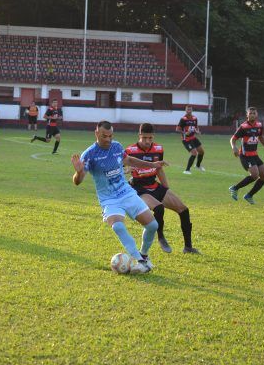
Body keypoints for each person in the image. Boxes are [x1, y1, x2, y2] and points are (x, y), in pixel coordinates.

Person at [71, 121, 167, 274]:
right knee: (118, 226)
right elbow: (78, 181)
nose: (108, 139)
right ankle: (140, 261)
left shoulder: (116, 146)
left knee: (153, 226)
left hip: (126, 193)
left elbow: (129, 160)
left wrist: (153, 165)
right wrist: (79, 172)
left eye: (110, 136)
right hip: (109, 199)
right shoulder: (89, 154)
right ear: (96, 133)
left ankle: (144, 255)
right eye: (104, 136)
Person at [125, 123, 200, 254]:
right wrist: (125, 170)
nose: (148, 141)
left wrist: (166, 189)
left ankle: (188, 247)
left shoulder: (158, 149)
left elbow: (159, 168)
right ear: (139, 136)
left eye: (150, 138)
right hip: (139, 188)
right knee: (159, 208)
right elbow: (117, 168)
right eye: (145, 138)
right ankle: (161, 237)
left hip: (154, 184)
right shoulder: (130, 151)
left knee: (183, 209)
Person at [229, 107, 264, 204]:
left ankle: (249, 195)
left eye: (254, 113)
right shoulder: (243, 127)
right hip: (245, 156)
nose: (252, 115)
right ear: (247, 115)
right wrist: (234, 147)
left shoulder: (259, 125)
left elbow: (261, 137)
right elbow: (233, 139)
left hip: (255, 155)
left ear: (256, 114)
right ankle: (235, 188)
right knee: (254, 175)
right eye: (250, 113)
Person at [176, 105, 205, 174]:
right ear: (185, 110)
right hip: (186, 139)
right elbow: (177, 129)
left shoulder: (195, 118)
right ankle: (187, 170)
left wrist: (197, 131)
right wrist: (185, 133)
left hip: (193, 138)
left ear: (192, 110)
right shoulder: (183, 119)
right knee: (194, 153)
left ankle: (198, 165)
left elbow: (196, 127)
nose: (189, 111)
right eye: (188, 110)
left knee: (201, 151)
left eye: (190, 109)